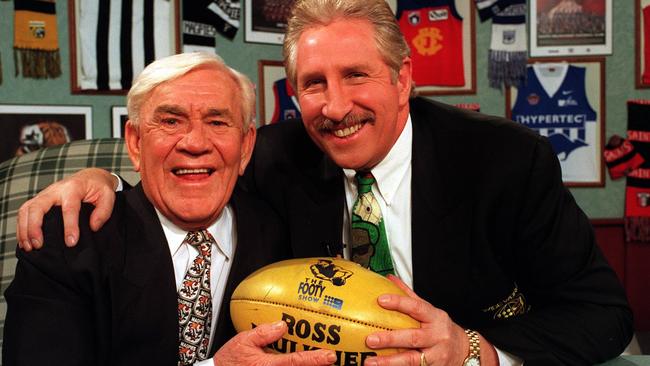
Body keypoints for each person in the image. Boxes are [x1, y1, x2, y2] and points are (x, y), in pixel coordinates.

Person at [16, 0, 633, 365]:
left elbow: (602, 316)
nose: (334, 107)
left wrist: (472, 351)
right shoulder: (277, 155)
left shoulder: (505, 160)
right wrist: (96, 177)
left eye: (356, 75)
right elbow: (187, 162)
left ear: (403, 79)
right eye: (313, 83)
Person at [3, 52, 336, 366]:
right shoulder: (66, 240)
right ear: (135, 143)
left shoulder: (282, 235)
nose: (195, 143)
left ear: (246, 146)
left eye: (217, 122)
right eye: (171, 121)